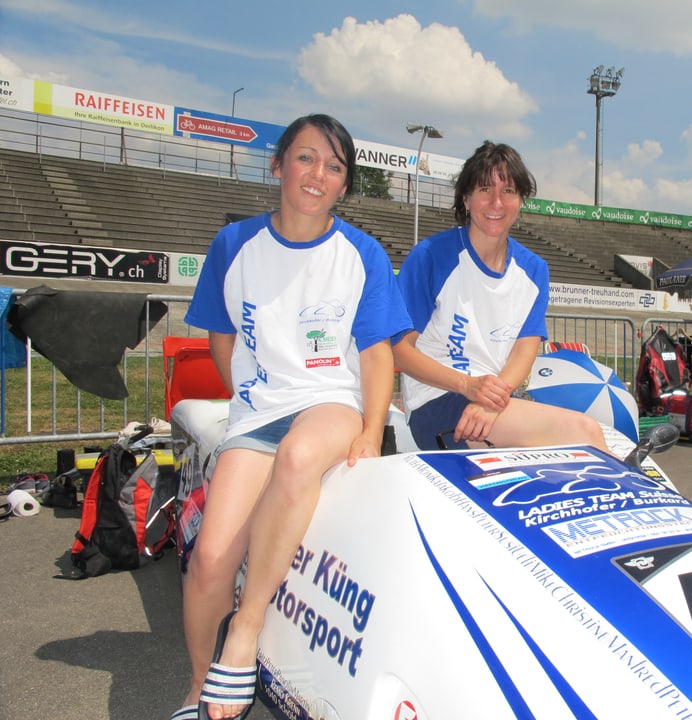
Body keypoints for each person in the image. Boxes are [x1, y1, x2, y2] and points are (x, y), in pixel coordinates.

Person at [172, 114, 412, 720]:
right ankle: (200, 687)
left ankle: (245, 632)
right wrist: (248, 392)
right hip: (258, 414)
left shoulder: (362, 253)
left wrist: (368, 430)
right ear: (278, 165)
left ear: (344, 184)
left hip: (330, 402)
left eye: (334, 167)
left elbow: (376, 353)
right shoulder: (235, 245)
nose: (318, 175)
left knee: (301, 456)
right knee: (207, 562)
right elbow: (221, 335)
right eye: (306, 158)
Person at [392, 140, 609, 452]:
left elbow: (525, 348)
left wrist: (493, 399)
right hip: (436, 401)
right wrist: (467, 386)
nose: (496, 202)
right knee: (584, 432)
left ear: (520, 200)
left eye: (508, 191)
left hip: (494, 402)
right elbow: (399, 350)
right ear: (466, 198)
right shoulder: (430, 257)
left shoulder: (533, 270)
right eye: (484, 189)